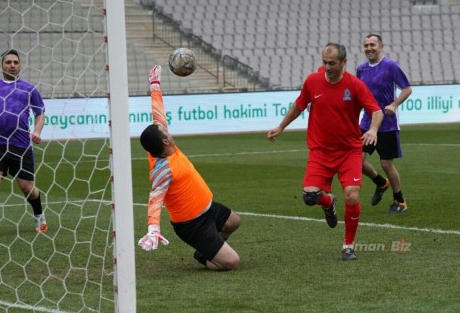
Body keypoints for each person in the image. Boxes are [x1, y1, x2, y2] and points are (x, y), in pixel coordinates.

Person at [268, 43, 383, 261]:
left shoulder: (355, 85)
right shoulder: (313, 81)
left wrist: (373, 129)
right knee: (310, 196)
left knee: (352, 194)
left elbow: (376, 111)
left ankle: (348, 245)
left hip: (349, 151)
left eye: (332, 63)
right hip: (320, 151)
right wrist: (281, 126)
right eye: (324, 62)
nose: (327, 67)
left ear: (343, 63)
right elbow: (299, 105)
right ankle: (329, 203)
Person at [138, 65, 241, 271]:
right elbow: (155, 200)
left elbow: (157, 111)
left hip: (208, 209)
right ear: (164, 142)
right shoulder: (162, 169)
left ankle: (209, 249)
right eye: (165, 132)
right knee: (232, 262)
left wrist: (155, 84)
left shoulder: (163, 148)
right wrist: (153, 229)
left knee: (233, 222)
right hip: (192, 225)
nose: (167, 130)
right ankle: (205, 256)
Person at [0, 49, 47, 238]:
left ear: (20, 66)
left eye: (15, 62)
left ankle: (39, 215)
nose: (12, 65)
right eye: (8, 62)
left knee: (27, 188)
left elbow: (40, 113)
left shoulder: (29, 89)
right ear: (1, 65)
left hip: (20, 145)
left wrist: (36, 131)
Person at [357, 34, 412, 213]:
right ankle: (381, 183)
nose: (369, 48)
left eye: (372, 45)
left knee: (386, 164)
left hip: (387, 123)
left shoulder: (391, 66)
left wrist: (395, 104)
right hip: (367, 122)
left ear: (381, 46)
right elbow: (359, 96)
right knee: (356, 160)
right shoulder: (361, 69)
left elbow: (407, 88)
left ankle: (400, 201)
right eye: (366, 45)